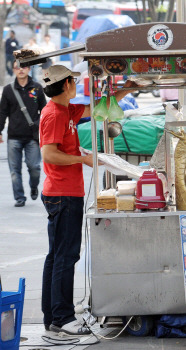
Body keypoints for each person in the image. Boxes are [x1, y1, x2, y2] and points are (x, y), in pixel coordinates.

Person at [40, 65, 136, 335]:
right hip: (62, 194)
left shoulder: (66, 110)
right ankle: (62, 317)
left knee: (57, 255)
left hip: (65, 192)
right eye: (74, 80)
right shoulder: (54, 114)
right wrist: (83, 159)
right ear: (68, 83)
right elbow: (49, 154)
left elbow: (97, 105)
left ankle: (53, 314)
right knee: (65, 256)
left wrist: (129, 87)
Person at [0, 62, 46, 207]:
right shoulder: (8, 90)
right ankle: (19, 197)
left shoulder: (37, 88)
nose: (21, 69)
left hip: (32, 136)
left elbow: (44, 111)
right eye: (17, 67)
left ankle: (33, 186)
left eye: (24, 66)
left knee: (34, 168)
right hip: (14, 136)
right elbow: (2, 113)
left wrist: (40, 127)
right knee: (14, 170)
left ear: (29, 68)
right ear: (13, 70)